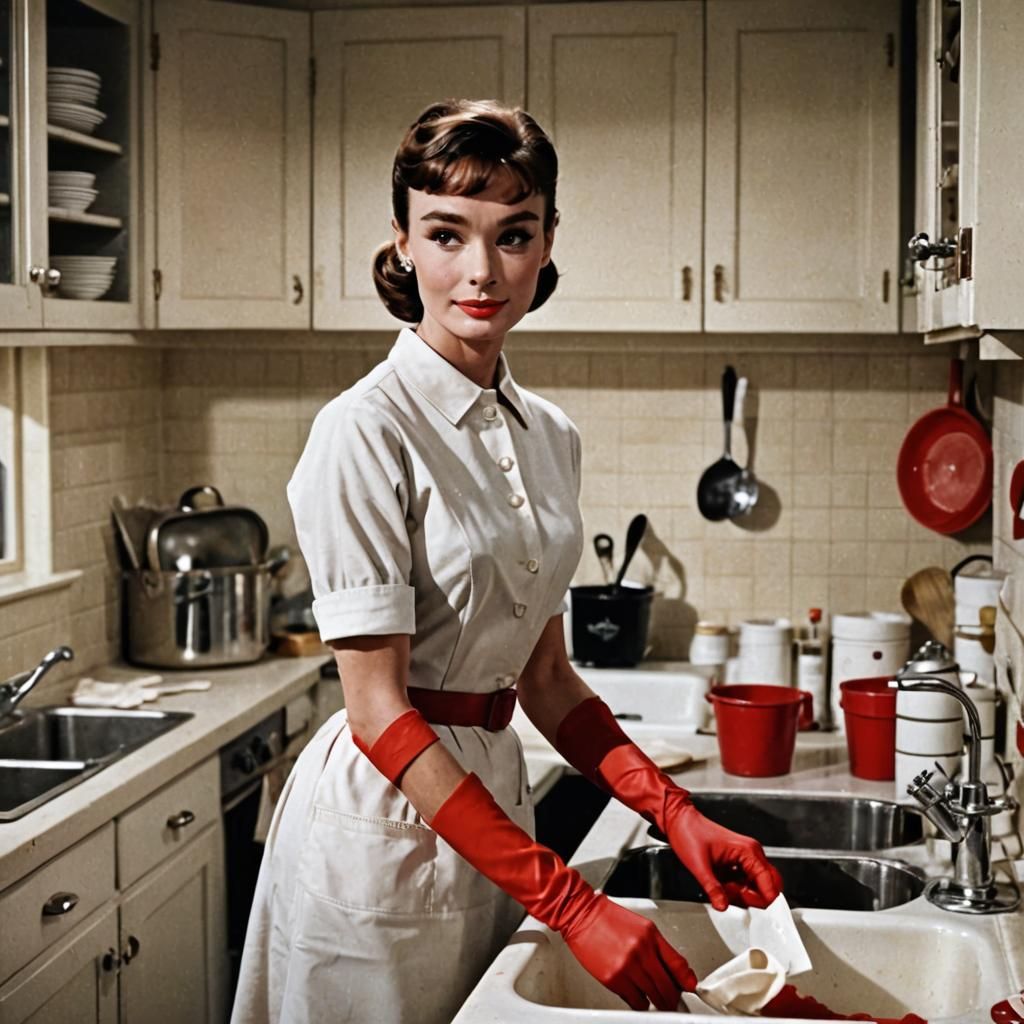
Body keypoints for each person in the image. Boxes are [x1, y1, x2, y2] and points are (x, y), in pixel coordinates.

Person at [231, 99, 782, 1024]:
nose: (481, 271)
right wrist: (571, 904)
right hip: (382, 829)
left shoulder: (550, 437)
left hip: (494, 818)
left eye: (512, 235)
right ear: (403, 242)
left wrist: (675, 811)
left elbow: (547, 679)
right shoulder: (364, 430)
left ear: (547, 242)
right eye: (446, 234)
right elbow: (378, 713)